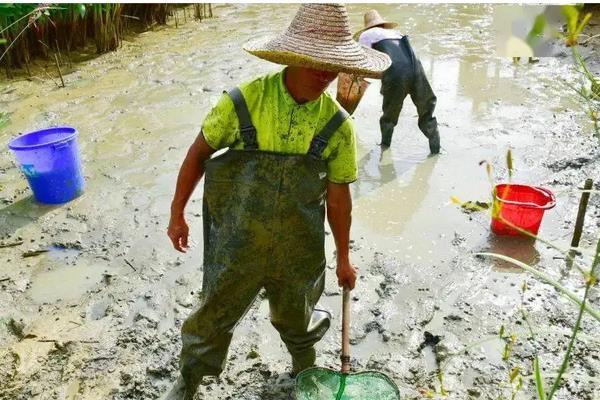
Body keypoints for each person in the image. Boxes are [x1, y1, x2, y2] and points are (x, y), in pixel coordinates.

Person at [162, 4, 391, 399]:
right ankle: (190, 380)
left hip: (299, 247)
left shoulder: (338, 127)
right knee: (212, 316)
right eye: (315, 62)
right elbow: (197, 154)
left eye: (332, 64)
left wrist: (342, 257)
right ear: (292, 57)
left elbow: (339, 200)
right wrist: (177, 213)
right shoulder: (242, 103)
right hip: (236, 242)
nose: (324, 73)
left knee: (297, 317)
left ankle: (304, 365)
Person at [356, 9, 441, 153]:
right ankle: (436, 149)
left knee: (390, 114)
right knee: (426, 111)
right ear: (383, 25)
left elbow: (364, 61)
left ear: (368, 26)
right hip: (417, 68)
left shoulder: (367, 35)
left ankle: (385, 147)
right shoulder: (396, 33)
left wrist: (358, 77)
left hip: (397, 74)